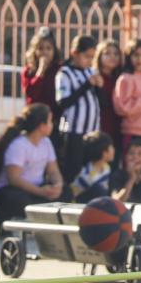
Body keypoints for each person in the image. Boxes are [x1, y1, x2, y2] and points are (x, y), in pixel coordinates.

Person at [0, 104, 64, 228]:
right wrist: (40, 192)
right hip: (15, 189)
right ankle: (3, 221)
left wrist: (58, 185)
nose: (52, 124)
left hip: (37, 189)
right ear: (42, 126)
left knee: (65, 193)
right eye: (50, 121)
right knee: (17, 199)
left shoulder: (46, 142)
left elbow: (53, 170)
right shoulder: (19, 145)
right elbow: (14, 178)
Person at [55, 34, 102, 184]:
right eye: (86, 56)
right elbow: (63, 102)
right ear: (74, 53)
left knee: (89, 170)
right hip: (73, 131)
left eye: (92, 57)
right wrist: (87, 85)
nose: (89, 61)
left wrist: (99, 87)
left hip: (91, 131)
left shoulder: (90, 71)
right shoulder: (64, 74)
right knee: (72, 170)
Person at [94, 39, 124, 155]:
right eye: (107, 53)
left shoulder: (121, 77)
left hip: (118, 126)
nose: (112, 57)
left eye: (116, 54)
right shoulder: (95, 76)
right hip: (100, 125)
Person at [21, 28, 61, 114]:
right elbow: (30, 93)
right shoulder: (28, 71)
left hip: (53, 117)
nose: (45, 52)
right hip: (34, 116)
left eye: (48, 48)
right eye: (40, 49)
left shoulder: (59, 70)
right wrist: (40, 71)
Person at [70, 131, 114, 203]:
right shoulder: (87, 175)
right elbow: (73, 195)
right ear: (104, 152)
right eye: (111, 147)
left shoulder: (107, 168)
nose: (113, 150)